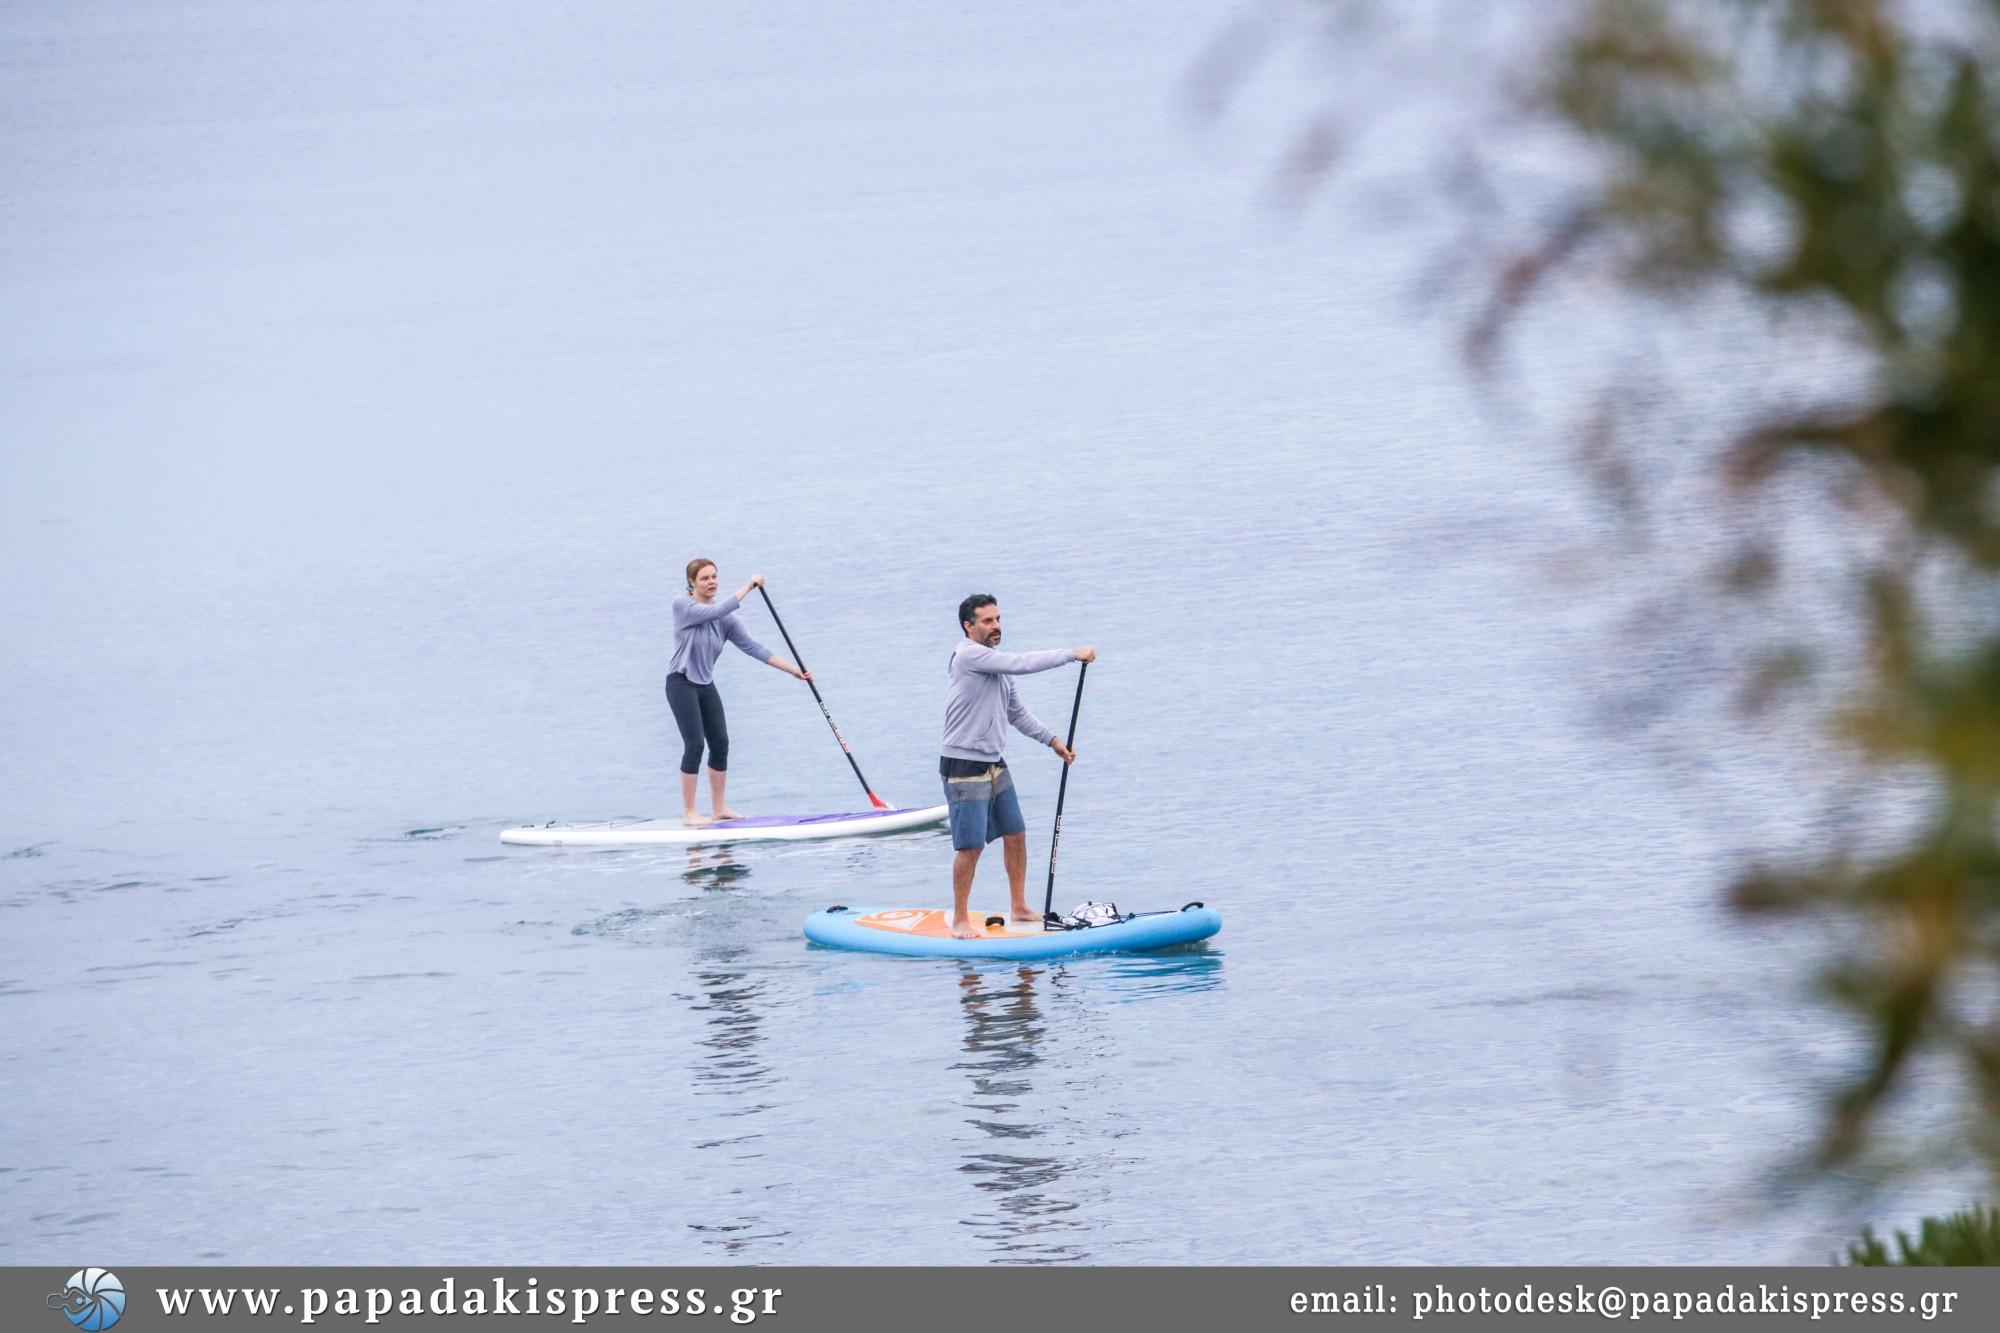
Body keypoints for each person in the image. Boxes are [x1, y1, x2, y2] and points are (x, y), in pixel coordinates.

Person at [940, 594, 1096, 937]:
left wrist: (1053, 742)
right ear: (969, 627)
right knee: (971, 847)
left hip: (994, 762)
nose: (995, 626)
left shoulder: (994, 664)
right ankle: (960, 920)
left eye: (997, 619)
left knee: (1016, 834)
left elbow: (1016, 712)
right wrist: (1071, 655)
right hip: (963, 764)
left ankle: (1019, 906)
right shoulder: (969, 655)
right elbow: (1022, 662)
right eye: (987, 621)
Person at [668, 559, 810, 826]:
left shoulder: (727, 621)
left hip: (705, 685)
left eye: (714, 577)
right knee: (695, 745)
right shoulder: (683, 606)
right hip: (681, 683)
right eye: (704, 579)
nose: (711, 582)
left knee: (720, 744)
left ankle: (719, 808)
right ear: (692, 583)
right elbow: (713, 612)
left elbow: (754, 648)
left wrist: (793, 671)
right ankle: (690, 812)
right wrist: (748, 587)